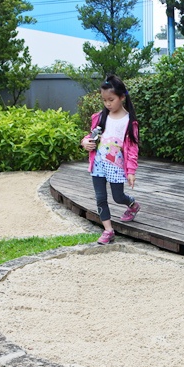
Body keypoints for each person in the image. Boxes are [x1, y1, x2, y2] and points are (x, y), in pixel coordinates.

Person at [80, 75, 140, 245]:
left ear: (122, 97)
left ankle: (132, 204)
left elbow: (133, 149)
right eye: (104, 100)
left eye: (111, 100)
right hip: (98, 164)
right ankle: (108, 230)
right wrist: (85, 142)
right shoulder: (99, 117)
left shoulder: (129, 122)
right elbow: (90, 136)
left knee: (118, 197)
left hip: (116, 166)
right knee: (100, 198)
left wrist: (131, 171)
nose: (107, 103)